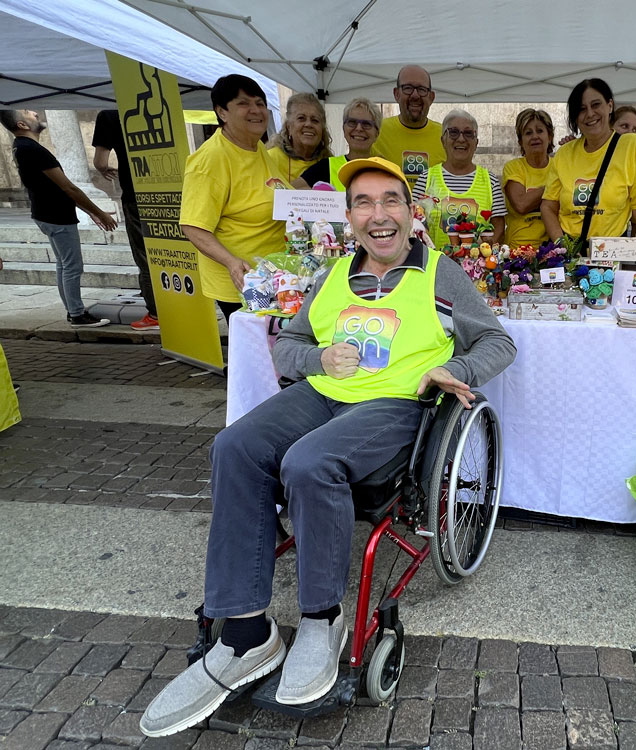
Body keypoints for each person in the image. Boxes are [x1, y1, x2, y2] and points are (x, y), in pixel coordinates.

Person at [138, 156, 516, 738]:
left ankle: (323, 617)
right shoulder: (333, 274)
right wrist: (318, 358)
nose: (378, 215)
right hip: (323, 395)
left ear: (412, 212)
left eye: (390, 201)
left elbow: (498, 342)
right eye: (364, 203)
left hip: (394, 405)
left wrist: (454, 369)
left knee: (310, 463)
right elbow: (286, 346)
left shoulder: (439, 274)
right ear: (349, 218)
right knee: (234, 447)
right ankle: (246, 634)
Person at [179, 75, 287, 324]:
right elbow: (193, 226)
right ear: (222, 112)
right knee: (258, 345)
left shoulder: (256, 147)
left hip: (273, 275)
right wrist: (231, 262)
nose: (256, 110)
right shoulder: (211, 159)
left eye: (260, 103)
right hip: (244, 284)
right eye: (243, 103)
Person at [1, 109, 118, 328]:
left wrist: (90, 211)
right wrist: (99, 212)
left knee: (63, 264)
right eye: (27, 112)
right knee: (72, 266)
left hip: (46, 214)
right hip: (56, 216)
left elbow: (57, 188)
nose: (34, 113)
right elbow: (68, 187)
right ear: (22, 125)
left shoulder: (21, 147)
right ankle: (77, 314)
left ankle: (73, 310)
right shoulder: (33, 149)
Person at [540, 79, 636, 252]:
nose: (590, 114)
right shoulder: (564, 153)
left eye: (596, 105)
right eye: (582, 109)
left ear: (610, 106)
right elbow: (548, 206)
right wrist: (563, 247)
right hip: (572, 255)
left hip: (611, 255)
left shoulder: (631, 146)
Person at [93, 109, 159, 330]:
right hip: (169, 191)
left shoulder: (109, 114)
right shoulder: (158, 104)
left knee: (145, 256)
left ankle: (156, 314)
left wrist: (105, 170)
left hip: (136, 193)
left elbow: (100, 161)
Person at [413, 110, 506, 248]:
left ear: (476, 142)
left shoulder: (490, 181)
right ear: (443, 140)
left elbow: (499, 229)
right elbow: (413, 223)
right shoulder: (426, 179)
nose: (461, 139)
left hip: (478, 261)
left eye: (468, 133)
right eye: (454, 132)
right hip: (433, 260)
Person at [371, 65, 446, 192]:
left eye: (422, 89)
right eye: (408, 88)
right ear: (396, 94)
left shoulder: (446, 136)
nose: (415, 95)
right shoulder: (376, 132)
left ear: (431, 97)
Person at [293, 97, 381, 189]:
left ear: (377, 133)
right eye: (352, 122)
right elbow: (289, 192)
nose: (359, 128)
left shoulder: (384, 169)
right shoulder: (326, 167)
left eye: (366, 124)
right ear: (344, 129)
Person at [502, 108, 554, 247]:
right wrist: (553, 186)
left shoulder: (559, 166)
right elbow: (521, 204)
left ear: (550, 136)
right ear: (520, 141)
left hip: (552, 248)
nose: (534, 136)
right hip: (517, 249)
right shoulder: (513, 167)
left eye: (540, 131)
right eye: (528, 133)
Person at [267, 93, 332, 183]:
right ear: (288, 127)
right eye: (301, 118)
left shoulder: (329, 163)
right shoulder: (271, 159)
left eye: (315, 120)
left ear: (322, 130)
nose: (308, 124)